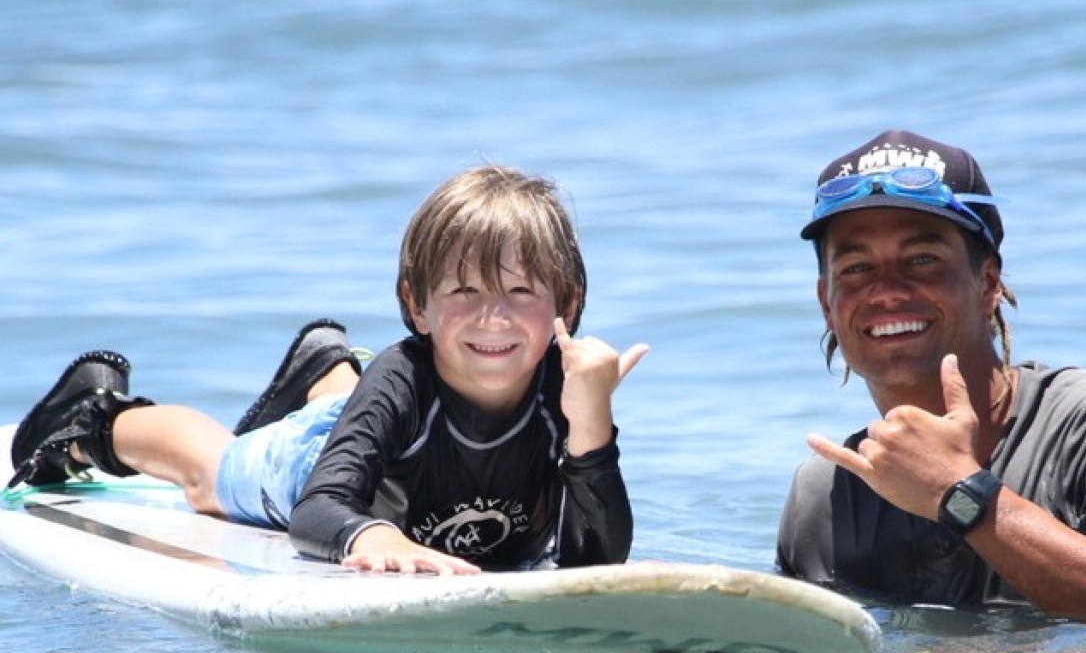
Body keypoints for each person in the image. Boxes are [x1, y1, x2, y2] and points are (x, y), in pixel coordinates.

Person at [8, 165, 649, 575]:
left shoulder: (568, 396)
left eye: (519, 293)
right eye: (463, 293)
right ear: (414, 305)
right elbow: (318, 510)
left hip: (372, 426)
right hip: (323, 459)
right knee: (210, 477)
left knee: (355, 413)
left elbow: (593, 562)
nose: (492, 318)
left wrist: (594, 424)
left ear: (565, 305)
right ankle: (96, 418)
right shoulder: (405, 378)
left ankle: (329, 369)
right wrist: (370, 537)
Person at [775, 129, 1086, 622]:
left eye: (922, 260)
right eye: (855, 268)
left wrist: (962, 496)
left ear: (988, 284)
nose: (886, 291)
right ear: (828, 304)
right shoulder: (823, 495)